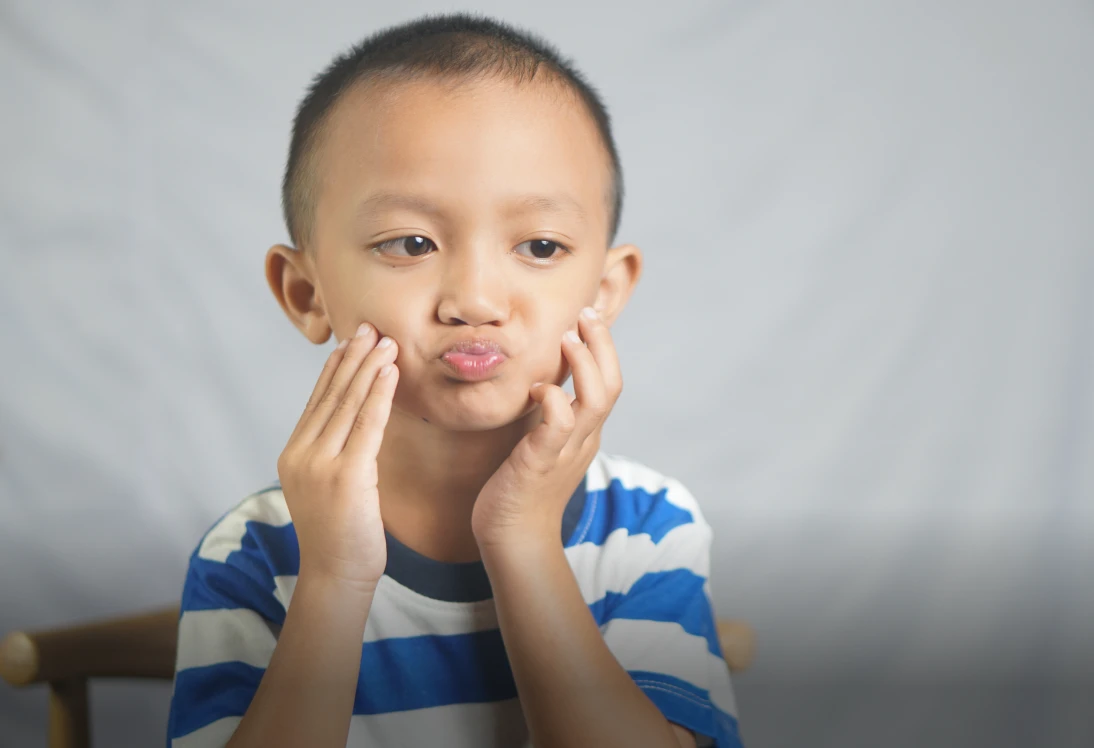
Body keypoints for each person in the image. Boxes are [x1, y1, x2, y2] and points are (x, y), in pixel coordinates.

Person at [166, 12, 743, 748]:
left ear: (603, 290)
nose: (473, 299)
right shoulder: (255, 553)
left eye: (539, 245)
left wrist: (525, 538)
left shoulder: (646, 529)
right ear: (307, 293)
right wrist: (335, 580)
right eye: (410, 243)